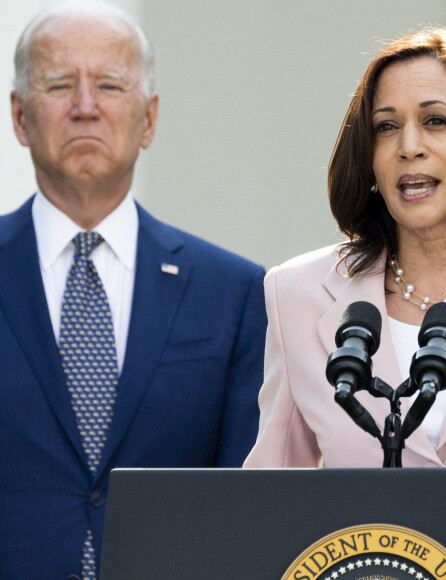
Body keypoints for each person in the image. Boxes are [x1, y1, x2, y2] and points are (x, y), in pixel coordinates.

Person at [0, 2, 267, 578]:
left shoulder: (237, 294)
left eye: (109, 84)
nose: (85, 107)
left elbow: (246, 507)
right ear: (19, 117)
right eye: (59, 84)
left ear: (148, 119)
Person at [244, 27, 446, 470]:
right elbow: (271, 498)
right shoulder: (296, 294)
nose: (409, 147)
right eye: (386, 127)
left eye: (435, 121)